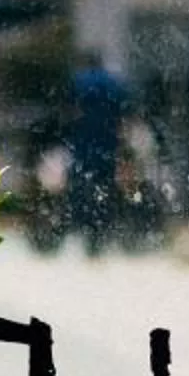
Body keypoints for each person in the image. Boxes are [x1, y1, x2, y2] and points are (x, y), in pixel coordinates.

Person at [64, 49, 130, 249]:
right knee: (106, 182)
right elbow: (124, 108)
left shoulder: (80, 80)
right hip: (108, 139)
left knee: (81, 181)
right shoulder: (113, 82)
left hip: (84, 138)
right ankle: (103, 225)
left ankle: (83, 223)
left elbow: (69, 107)